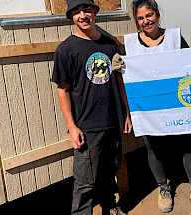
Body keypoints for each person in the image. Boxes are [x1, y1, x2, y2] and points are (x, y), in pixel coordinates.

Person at [119, 0, 191, 212]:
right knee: (154, 148)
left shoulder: (175, 38)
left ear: (157, 14)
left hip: (178, 104)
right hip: (148, 108)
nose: (145, 21)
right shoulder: (130, 44)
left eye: (149, 15)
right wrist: (120, 67)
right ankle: (163, 188)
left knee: (188, 143)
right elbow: (127, 79)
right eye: (140, 18)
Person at [51, 0, 132, 214]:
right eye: (77, 13)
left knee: (108, 171)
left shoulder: (109, 43)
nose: (83, 16)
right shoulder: (66, 50)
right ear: (71, 17)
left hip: (112, 120)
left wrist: (125, 113)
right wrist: (72, 127)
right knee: (85, 181)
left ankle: (110, 206)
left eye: (86, 10)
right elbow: (63, 89)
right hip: (87, 125)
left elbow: (119, 80)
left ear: (95, 12)